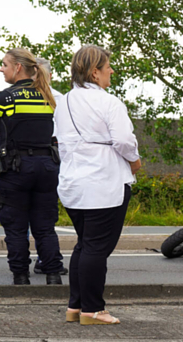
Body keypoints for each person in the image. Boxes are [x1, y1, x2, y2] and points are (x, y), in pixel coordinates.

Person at [55, 45, 141, 325]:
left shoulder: (64, 102)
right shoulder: (108, 102)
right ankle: (93, 310)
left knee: (85, 245)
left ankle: (76, 307)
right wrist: (135, 162)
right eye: (108, 67)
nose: (111, 71)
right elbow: (125, 140)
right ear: (95, 72)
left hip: (73, 184)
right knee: (96, 248)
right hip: (103, 184)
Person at [0, 48, 65, 286]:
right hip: (47, 168)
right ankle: (54, 275)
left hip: (14, 170)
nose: (1, 69)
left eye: (4, 64)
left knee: (15, 227)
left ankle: (21, 277)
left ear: (17, 68)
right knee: (45, 227)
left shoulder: (4, 97)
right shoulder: (48, 97)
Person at [33, 56, 68, 277]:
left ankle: (42, 257)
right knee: (42, 213)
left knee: (42, 214)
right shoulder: (57, 99)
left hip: (52, 161)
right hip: (43, 162)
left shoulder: (60, 100)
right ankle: (44, 257)